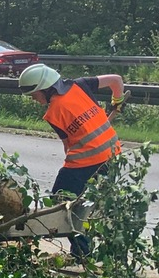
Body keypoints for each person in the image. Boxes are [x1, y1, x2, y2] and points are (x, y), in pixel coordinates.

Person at [18, 64, 125, 258]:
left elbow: (67, 146)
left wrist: (70, 167)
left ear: (45, 88)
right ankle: (110, 250)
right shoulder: (81, 85)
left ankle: (82, 253)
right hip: (112, 153)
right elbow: (116, 80)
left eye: (34, 94)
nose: (34, 99)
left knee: (62, 202)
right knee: (97, 203)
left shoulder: (53, 112)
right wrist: (117, 101)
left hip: (85, 161)